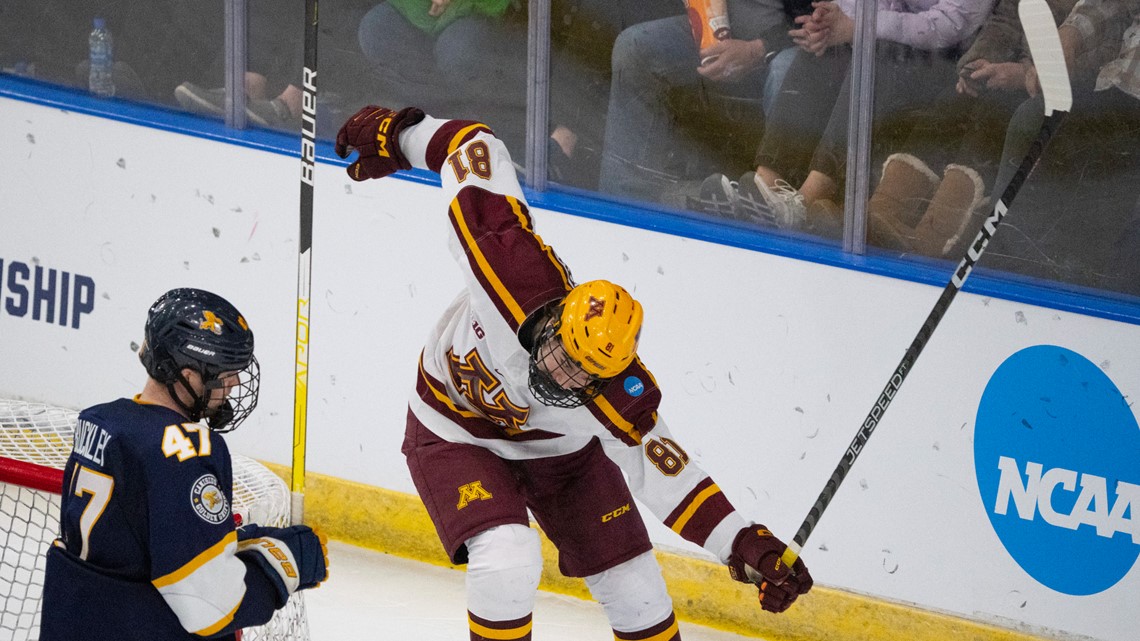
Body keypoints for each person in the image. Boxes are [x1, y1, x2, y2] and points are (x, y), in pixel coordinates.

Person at [334, 104, 814, 640]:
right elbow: (473, 144)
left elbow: (666, 471)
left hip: (562, 457)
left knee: (639, 589)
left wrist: (744, 541)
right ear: (557, 319)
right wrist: (403, 136)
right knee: (508, 555)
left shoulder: (616, 399)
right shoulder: (505, 266)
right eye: (561, 354)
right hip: (455, 427)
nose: (560, 376)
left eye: (579, 376)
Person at [40, 288, 329, 641]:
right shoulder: (183, 450)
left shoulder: (100, 420)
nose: (235, 382)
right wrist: (285, 565)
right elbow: (210, 608)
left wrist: (238, 543)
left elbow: (133, 543)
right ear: (189, 376)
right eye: (224, 373)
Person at [703, 0, 993, 234]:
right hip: (895, 49)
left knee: (879, 55)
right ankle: (766, 185)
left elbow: (951, 23)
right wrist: (830, 23)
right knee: (829, 52)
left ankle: (805, 201)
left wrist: (858, 27)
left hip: (951, 69)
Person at [597, 0, 809, 204]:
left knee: (788, 71)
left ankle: (779, 205)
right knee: (633, 47)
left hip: (781, 44)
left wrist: (758, 49)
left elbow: (815, 18)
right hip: (713, 31)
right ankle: (624, 200)